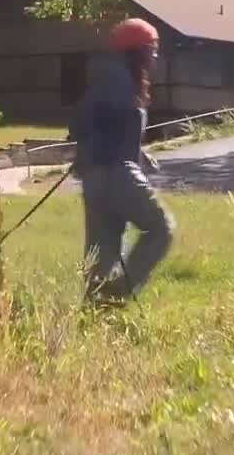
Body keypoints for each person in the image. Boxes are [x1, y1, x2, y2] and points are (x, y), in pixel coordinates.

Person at [67, 17, 175, 305]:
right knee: (161, 228)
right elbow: (96, 123)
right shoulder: (118, 80)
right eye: (151, 49)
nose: (155, 55)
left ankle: (96, 314)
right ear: (135, 50)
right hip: (116, 172)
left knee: (103, 251)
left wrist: (137, 152)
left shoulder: (109, 77)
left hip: (96, 175)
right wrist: (116, 151)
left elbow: (99, 125)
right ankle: (119, 290)